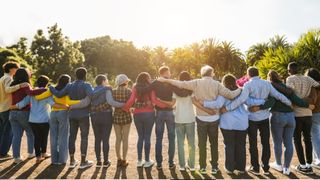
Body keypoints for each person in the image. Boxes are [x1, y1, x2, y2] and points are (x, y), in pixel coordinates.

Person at [158, 65, 241, 175]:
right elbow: (230, 95)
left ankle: (202, 167)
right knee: (214, 143)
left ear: (202, 73)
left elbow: (181, 84)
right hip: (214, 118)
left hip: (200, 118)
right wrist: (240, 90)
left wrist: (165, 80)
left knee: (201, 144)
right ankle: (214, 167)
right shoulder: (217, 84)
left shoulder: (196, 83)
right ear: (211, 73)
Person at [221, 67, 292, 175]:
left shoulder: (248, 85)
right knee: (265, 143)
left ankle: (255, 168)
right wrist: (289, 103)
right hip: (264, 118)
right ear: (258, 74)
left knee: (253, 144)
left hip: (252, 118)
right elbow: (278, 95)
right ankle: (266, 167)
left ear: (248, 74)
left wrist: (228, 108)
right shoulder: (267, 84)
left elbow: (242, 99)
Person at [251, 70, 314, 175]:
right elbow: (297, 100)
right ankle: (286, 168)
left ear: (269, 78)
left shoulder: (271, 87)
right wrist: (307, 105)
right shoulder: (286, 87)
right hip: (290, 117)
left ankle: (278, 164)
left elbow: (271, 101)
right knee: (288, 143)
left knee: (277, 143)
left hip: (277, 116)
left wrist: (260, 107)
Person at [199, 74, 263, 175]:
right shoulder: (241, 91)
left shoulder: (223, 92)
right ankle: (241, 168)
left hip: (227, 123)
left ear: (223, 82)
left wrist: (204, 103)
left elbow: (218, 104)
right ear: (235, 81)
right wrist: (263, 100)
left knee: (229, 145)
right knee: (241, 145)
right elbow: (250, 102)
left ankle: (230, 168)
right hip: (242, 123)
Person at [11, 75, 70, 163]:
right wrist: (66, 106)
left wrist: (11, 107)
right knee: (44, 137)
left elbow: (22, 104)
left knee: (36, 138)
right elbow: (53, 104)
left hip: (32, 119)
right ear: (46, 84)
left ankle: (38, 157)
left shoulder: (31, 93)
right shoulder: (46, 93)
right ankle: (44, 153)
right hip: (44, 119)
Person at [35, 74, 87, 165]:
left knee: (53, 137)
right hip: (63, 113)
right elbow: (68, 102)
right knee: (63, 137)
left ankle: (54, 160)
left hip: (53, 114)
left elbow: (38, 97)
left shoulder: (53, 89)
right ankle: (62, 160)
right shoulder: (67, 90)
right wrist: (81, 101)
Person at [49, 67, 94, 169]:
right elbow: (92, 95)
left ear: (75, 75)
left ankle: (72, 161)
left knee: (72, 137)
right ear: (85, 75)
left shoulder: (69, 85)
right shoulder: (87, 85)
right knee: (84, 137)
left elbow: (59, 94)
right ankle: (83, 162)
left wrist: (51, 88)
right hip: (84, 115)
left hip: (72, 115)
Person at [123, 72, 169, 168]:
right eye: (149, 77)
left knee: (140, 137)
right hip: (149, 114)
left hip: (137, 114)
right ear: (146, 78)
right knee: (147, 136)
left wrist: (126, 109)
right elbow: (154, 101)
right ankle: (147, 160)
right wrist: (167, 105)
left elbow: (131, 100)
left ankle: (139, 161)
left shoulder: (135, 87)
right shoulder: (150, 88)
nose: (150, 79)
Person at [158, 71, 196, 172]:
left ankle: (182, 166)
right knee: (191, 143)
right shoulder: (191, 89)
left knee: (180, 143)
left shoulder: (175, 91)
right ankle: (192, 166)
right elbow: (195, 102)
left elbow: (172, 104)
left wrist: (160, 100)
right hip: (190, 119)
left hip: (179, 119)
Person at [286, 62, 320, 174]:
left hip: (297, 114)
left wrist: (299, 101)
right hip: (309, 113)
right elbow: (318, 85)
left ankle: (303, 165)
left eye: (288, 70)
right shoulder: (308, 79)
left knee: (297, 139)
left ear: (290, 70)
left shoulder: (290, 79)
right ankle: (310, 164)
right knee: (308, 139)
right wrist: (307, 99)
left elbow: (290, 93)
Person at [9, 68, 46, 164]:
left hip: (12, 112)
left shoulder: (13, 85)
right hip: (23, 112)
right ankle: (30, 153)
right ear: (26, 75)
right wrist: (46, 89)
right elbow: (31, 93)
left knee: (16, 136)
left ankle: (16, 158)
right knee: (30, 133)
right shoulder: (25, 84)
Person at [88, 74, 124, 168]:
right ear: (103, 81)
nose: (107, 81)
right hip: (106, 116)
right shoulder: (107, 89)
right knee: (105, 139)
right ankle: (106, 161)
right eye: (106, 80)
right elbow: (111, 102)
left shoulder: (92, 90)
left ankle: (98, 161)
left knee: (97, 139)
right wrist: (124, 104)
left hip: (94, 116)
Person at [0, 61, 29, 160]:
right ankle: (3, 153)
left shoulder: (2, 78)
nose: (17, 70)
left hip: (2, 107)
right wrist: (20, 86)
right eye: (16, 68)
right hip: (8, 107)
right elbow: (8, 90)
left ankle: (2, 151)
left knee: (3, 131)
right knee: (8, 132)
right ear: (11, 69)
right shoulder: (8, 78)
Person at [112, 74, 132, 167]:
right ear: (125, 82)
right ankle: (124, 160)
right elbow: (132, 104)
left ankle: (118, 159)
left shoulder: (113, 91)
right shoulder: (129, 92)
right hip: (126, 117)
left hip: (116, 117)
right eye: (127, 81)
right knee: (125, 139)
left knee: (118, 139)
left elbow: (112, 103)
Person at [305, 68, 320, 169]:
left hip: (315, 113)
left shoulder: (312, 87)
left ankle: (318, 159)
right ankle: (317, 158)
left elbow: (312, 101)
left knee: (315, 137)